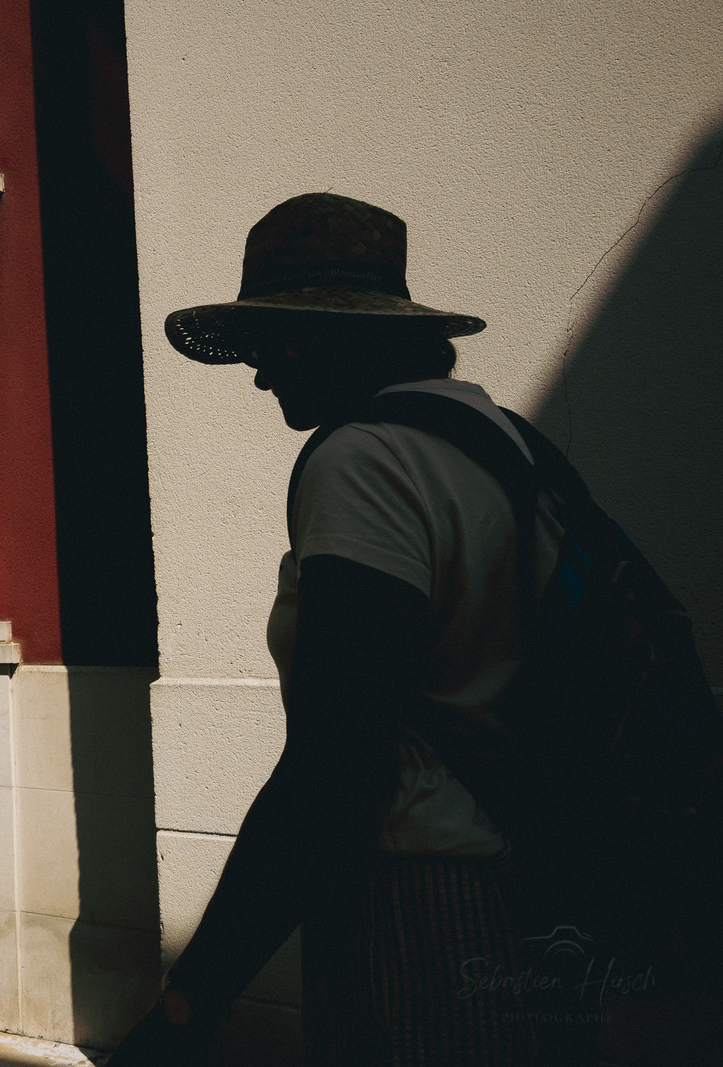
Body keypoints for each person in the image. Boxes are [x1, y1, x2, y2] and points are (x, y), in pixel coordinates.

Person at [111, 193, 596, 1065]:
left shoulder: (363, 460)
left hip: (422, 903)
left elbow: (338, 758)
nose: (261, 376)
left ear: (323, 338)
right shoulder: (502, 440)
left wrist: (193, 999)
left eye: (270, 346)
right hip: (538, 878)